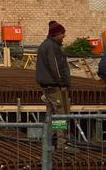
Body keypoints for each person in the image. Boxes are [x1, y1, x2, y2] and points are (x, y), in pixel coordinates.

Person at [36, 20, 75, 151]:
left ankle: (47, 140)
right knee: (60, 115)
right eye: (62, 33)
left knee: (51, 114)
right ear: (57, 34)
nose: (64, 36)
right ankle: (62, 143)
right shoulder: (51, 47)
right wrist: (62, 83)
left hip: (49, 86)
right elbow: (56, 67)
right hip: (54, 86)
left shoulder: (47, 45)